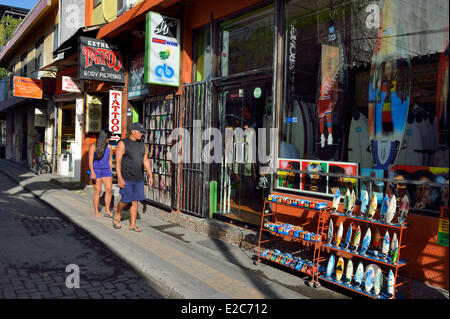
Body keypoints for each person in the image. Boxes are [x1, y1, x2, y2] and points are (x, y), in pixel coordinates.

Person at [113, 123, 153, 232]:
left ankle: (132, 224)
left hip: (138, 178)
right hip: (126, 177)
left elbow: (145, 160)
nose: (142, 134)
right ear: (133, 132)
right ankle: (118, 213)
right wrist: (119, 178)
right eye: (140, 132)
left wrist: (150, 174)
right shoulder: (122, 143)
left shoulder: (142, 145)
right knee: (126, 199)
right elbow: (118, 162)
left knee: (135, 201)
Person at [88, 129, 113, 218]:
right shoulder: (93, 147)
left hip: (107, 171)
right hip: (97, 171)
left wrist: (110, 171)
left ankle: (107, 210)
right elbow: (90, 161)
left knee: (109, 190)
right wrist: (92, 172)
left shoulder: (109, 147)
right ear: (103, 138)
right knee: (97, 191)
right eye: (108, 138)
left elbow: (110, 160)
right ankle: (96, 211)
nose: (109, 140)